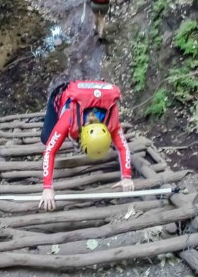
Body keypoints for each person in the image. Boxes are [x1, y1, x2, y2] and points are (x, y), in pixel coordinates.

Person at [39, 80, 134, 211]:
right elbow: (49, 151)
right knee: (46, 138)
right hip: (62, 96)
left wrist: (126, 177)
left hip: (94, 98)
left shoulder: (111, 119)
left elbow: (123, 147)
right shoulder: (68, 118)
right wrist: (48, 188)